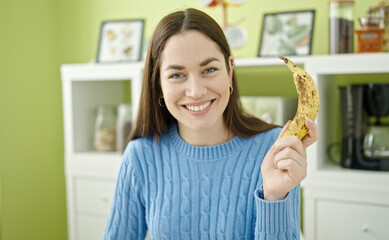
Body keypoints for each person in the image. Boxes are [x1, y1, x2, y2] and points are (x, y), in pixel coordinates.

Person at [103, 8, 318, 240]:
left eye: (209, 70)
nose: (196, 91)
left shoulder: (275, 150)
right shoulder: (140, 157)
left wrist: (274, 197)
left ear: (229, 70)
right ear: (158, 85)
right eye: (177, 75)